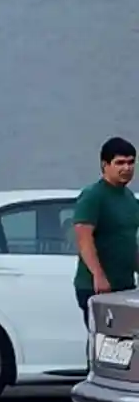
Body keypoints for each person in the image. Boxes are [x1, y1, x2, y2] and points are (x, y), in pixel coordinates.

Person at [73, 136, 139, 324]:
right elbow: (83, 238)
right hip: (98, 287)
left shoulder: (129, 199)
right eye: (120, 163)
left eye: (131, 162)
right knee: (102, 345)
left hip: (125, 286)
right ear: (105, 165)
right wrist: (99, 276)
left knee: (124, 346)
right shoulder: (94, 195)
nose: (127, 168)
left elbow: (128, 242)